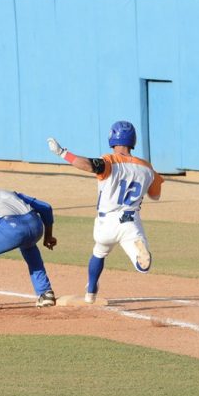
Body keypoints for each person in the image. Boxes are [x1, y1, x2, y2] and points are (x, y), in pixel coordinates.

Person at [46, 122, 163, 304]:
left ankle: (90, 293)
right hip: (131, 222)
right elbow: (155, 195)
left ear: (112, 138)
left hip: (106, 223)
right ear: (133, 141)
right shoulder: (148, 168)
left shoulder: (109, 161)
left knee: (99, 252)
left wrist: (62, 153)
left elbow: (87, 164)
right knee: (142, 266)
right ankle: (141, 253)